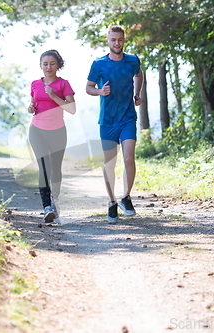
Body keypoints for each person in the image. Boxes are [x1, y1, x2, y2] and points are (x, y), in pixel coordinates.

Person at [86, 25, 143, 223]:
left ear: (124, 40)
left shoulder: (133, 60)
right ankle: (111, 202)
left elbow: (139, 74)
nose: (117, 43)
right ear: (108, 41)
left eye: (120, 39)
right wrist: (100, 92)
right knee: (110, 163)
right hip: (108, 121)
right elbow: (88, 88)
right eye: (113, 40)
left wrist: (137, 94)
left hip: (127, 117)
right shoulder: (99, 64)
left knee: (128, 158)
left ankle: (125, 197)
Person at [28, 49, 76, 223]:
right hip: (37, 130)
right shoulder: (35, 83)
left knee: (55, 170)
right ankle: (46, 207)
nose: (48, 67)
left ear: (58, 65)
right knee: (43, 167)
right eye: (45, 64)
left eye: (52, 64)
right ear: (40, 65)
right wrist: (30, 108)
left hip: (57, 131)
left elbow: (71, 109)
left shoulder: (64, 84)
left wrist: (54, 96)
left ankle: (55, 202)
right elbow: (33, 104)